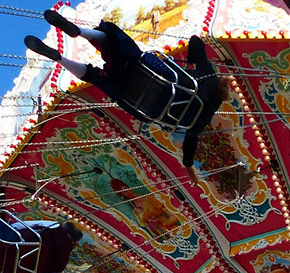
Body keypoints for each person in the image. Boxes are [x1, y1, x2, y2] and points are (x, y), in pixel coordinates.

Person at [25, 11, 226, 168]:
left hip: (147, 70)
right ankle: (60, 59)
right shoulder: (200, 121)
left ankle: (78, 31)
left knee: (113, 38)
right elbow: (190, 144)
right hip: (132, 96)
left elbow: (195, 41)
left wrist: (191, 65)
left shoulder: (208, 79)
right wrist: (188, 166)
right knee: (96, 78)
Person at [0, 219, 82, 273]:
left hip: (8, 243)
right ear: (74, 243)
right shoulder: (61, 267)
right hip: (9, 268)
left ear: (64, 228)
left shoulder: (54, 226)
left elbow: (19, 225)